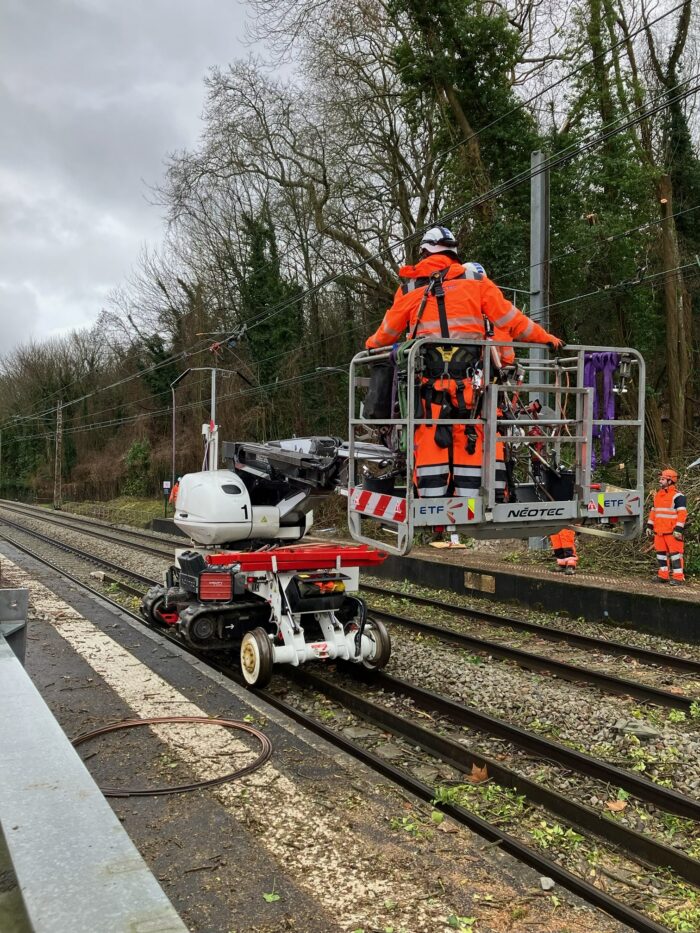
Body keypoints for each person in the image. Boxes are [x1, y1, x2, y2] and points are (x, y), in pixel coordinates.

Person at [365, 226, 563, 498]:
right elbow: (511, 320)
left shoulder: (410, 288)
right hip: (472, 393)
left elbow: (386, 333)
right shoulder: (476, 281)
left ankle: (431, 503)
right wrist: (546, 338)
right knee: (473, 442)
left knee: (429, 445)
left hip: (427, 396)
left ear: (424, 252)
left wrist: (370, 346)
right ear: (454, 254)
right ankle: (479, 500)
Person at [646, 468, 687, 585]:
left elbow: (682, 514)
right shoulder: (658, 495)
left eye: (663, 479)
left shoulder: (678, 496)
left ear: (670, 481)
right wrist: (649, 526)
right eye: (660, 478)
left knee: (676, 555)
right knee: (661, 555)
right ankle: (663, 576)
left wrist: (678, 529)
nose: (660, 481)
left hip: (672, 532)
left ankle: (678, 578)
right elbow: (654, 511)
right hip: (659, 532)